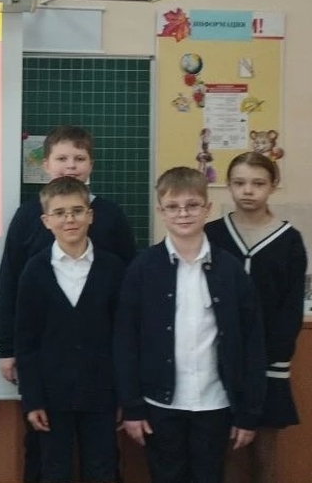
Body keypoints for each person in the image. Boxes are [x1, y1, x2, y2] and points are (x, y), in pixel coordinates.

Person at [0, 125, 137, 482]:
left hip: (100, 370)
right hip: (48, 365)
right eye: (61, 158)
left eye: (79, 158)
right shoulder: (27, 221)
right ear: (46, 165)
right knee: (46, 457)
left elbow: (127, 298)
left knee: (102, 460)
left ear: (91, 164)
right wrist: (6, 348)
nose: (70, 166)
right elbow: (10, 285)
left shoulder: (111, 220)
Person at [115, 166, 265, 483]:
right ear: (161, 211)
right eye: (173, 206)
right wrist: (132, 407)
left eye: (192, 205)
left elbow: (252, 343)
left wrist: (248, 412)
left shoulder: (230, 270)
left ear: (207, 208)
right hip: (160, 403)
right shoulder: (143, 268)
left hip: (216, 403)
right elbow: (125, 341)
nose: (183, 214)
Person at [205, 152, 307, 483]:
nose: (248, 190)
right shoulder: (212, 235)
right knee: (228, 452)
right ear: (228, 185)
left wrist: (271, 355)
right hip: (219, 359)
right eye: (239, 183)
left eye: (258, 183)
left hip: (269, 362)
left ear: (273, 185)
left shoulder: (289, 240)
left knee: (264, 451)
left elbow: (291, 307)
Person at [15, 176, 124, 483]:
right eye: (60, 213)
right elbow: (26, 341)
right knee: (53, 470)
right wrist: (32, 399)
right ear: (46, 221)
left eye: (77, 211)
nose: (69, 219)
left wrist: (124, 396)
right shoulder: (34, 271)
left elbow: (124, 338)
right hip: (51, 396)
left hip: (102, 393)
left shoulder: (113, 268)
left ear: (90, 215)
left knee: (103, 470)